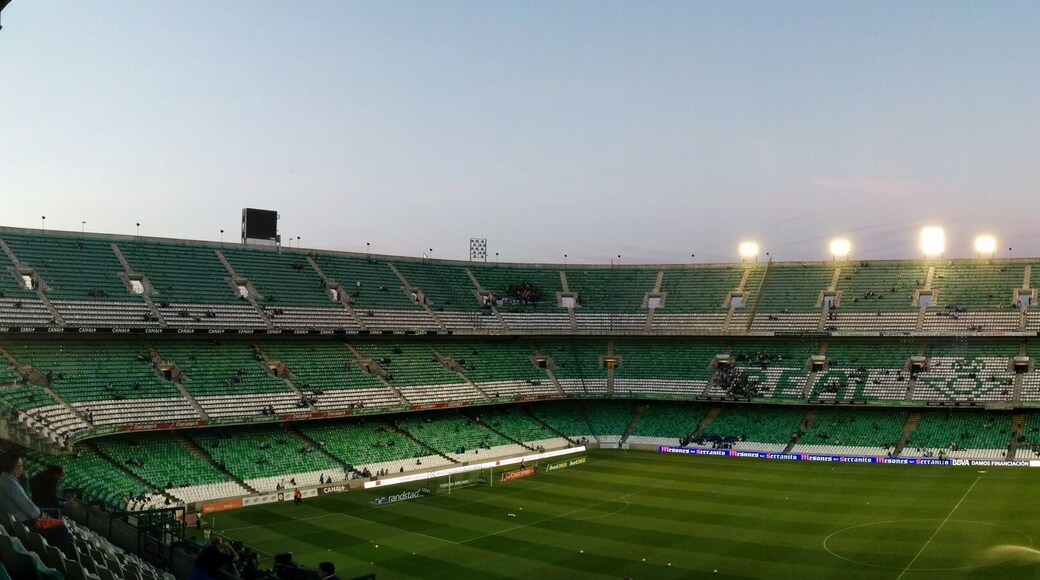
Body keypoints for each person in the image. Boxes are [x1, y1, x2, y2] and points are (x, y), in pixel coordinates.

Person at [0, 452, 74, 557]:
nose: (23, 468)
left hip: (17, 520)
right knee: (62, 529)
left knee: (54, 515)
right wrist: (43, 515)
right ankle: (63, 558)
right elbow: (29, 508)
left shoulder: (4, 479)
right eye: (21, 466)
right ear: (14, 468)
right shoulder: (11, 485)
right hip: (24, 522)